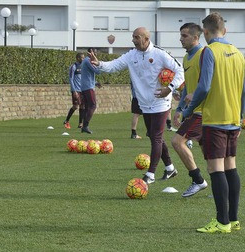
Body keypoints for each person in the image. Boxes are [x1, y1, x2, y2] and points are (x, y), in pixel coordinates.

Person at [89, 27, 184, 184]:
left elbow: (180, 70)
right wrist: (99, 64)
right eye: (133, 37)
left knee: (156, 138)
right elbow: (114, 65)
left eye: (136, 37)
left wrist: (170, 88)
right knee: (154, 136)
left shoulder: (160, 54)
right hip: (144, 103)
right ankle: (170, 168)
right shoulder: (131, 55)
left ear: (146, 39)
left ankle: (150, 175)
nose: (133, 39)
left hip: (161, 102)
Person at [182, 12, 244, 233]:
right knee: (231, 167)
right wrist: (241, 115)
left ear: (205, 32)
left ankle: (222, 222)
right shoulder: (238, 53)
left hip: (214, 119)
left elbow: (204, 87)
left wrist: (188, 109)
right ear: (224, 31)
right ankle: (234, 220)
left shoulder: (209, 52)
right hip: (233, 120)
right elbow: (243, 90)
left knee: (216, 168)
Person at [171, 23, 208, 198]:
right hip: (193, 111)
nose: (181, 39)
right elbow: (187, 87)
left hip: (203, 111)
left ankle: (198, 180)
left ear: (196, 37)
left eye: (185, 36)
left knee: (177, 142)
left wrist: (195, 95)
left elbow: (208, 84)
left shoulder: (204, 55)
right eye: (181, 35)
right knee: (208, 152)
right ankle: (219, 188)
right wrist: (179, 109)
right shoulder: (186, 58)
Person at [80, 48, 102, 134]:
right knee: (93, 105)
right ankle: (85, 126)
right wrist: (100, 65)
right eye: (94, 53)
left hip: (86, 86)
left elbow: (87, 75)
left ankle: (83, 126)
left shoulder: (85, 61)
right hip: (88, 87)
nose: (95, 55)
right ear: (89, 53)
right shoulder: (88, 61)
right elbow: (97, 71)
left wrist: (95, 83)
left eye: (96, 53)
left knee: (87, 106)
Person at [63, 53, 85, 129]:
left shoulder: (84, 67)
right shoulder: (73, 67)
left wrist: (95, 83)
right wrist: (74, 90)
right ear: (78, 58)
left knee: (83, 106)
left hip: (83, 90)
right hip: (76, 90)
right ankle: (66, 120)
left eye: (83, 57)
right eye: (82, 58)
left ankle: (80, 124)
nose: (83, 59)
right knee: (75, 106)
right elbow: (71, 79)